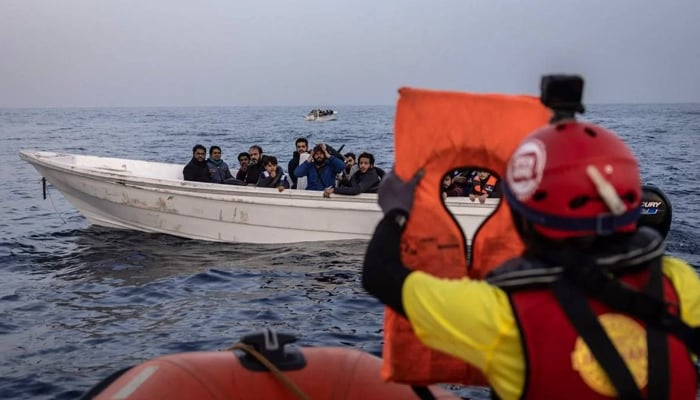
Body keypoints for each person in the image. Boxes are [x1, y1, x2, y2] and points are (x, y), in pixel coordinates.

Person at [362, 120, 700, 399]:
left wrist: (396, 212)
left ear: (526, 220)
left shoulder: (505, 312)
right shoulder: (679, 282)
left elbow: (380, 274)